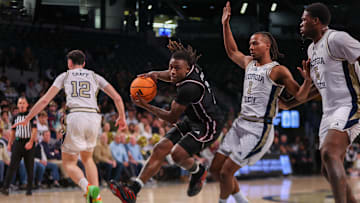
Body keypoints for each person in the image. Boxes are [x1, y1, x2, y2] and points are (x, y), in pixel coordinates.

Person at [209, 2, 314, 203]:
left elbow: (299, 97)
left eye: (255, 43)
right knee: (215, 169)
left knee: (226, 173)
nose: (250, 46)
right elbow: (232, 51)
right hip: (240, 123)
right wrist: (225, 24)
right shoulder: (249, 63)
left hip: (259, 128)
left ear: (267, 45)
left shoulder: (278, 70)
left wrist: (308, 81)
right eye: (249, 43)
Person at [109, 40, 225, 203]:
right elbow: (170, 75)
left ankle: (198, 171)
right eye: (171, 66)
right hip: (192, 118)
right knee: (160, 148)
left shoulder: (189, 88)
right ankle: (133, 191)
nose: (172, 71)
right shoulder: (190, 69)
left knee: (177, 155)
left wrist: (145, 106)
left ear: (187, 68)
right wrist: (154, 74)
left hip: (208, 124)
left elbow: (171, 117)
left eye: (176, 68)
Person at [12, 50, 127, 203]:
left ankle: (87, 187)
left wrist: (28, 117)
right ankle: (96, 197)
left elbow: (45, 100)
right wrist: (122, 117)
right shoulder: (95, 76)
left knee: (68, 162)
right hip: (93, 117)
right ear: (84, 63)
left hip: (75, 116)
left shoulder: (65, 76)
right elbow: (118, 98)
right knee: (88, 158)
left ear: (69, 63)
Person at [281, 3, 360, 203]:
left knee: (329, 152)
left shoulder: (336, 39)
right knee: (326, 168)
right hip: (329, 110)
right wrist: (290, 104)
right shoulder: (311, 50)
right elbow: (319, 87)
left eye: (303, 19)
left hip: (350, 103)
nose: (300, 23)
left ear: (316, 21)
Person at [0, 97, 37, 196]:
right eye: (20, 103)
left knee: (29, 166)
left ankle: (29, 189)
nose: (21, 105)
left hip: (28, 143)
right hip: (18, 143)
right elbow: (12, 131)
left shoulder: (31, 116)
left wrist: (31, 142)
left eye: (23, 103)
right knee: (12, 166)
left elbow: (34, 130)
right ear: (17, 105)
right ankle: (5, 187)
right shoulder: (15, 117)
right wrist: (9, 143)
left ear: (27, 105)